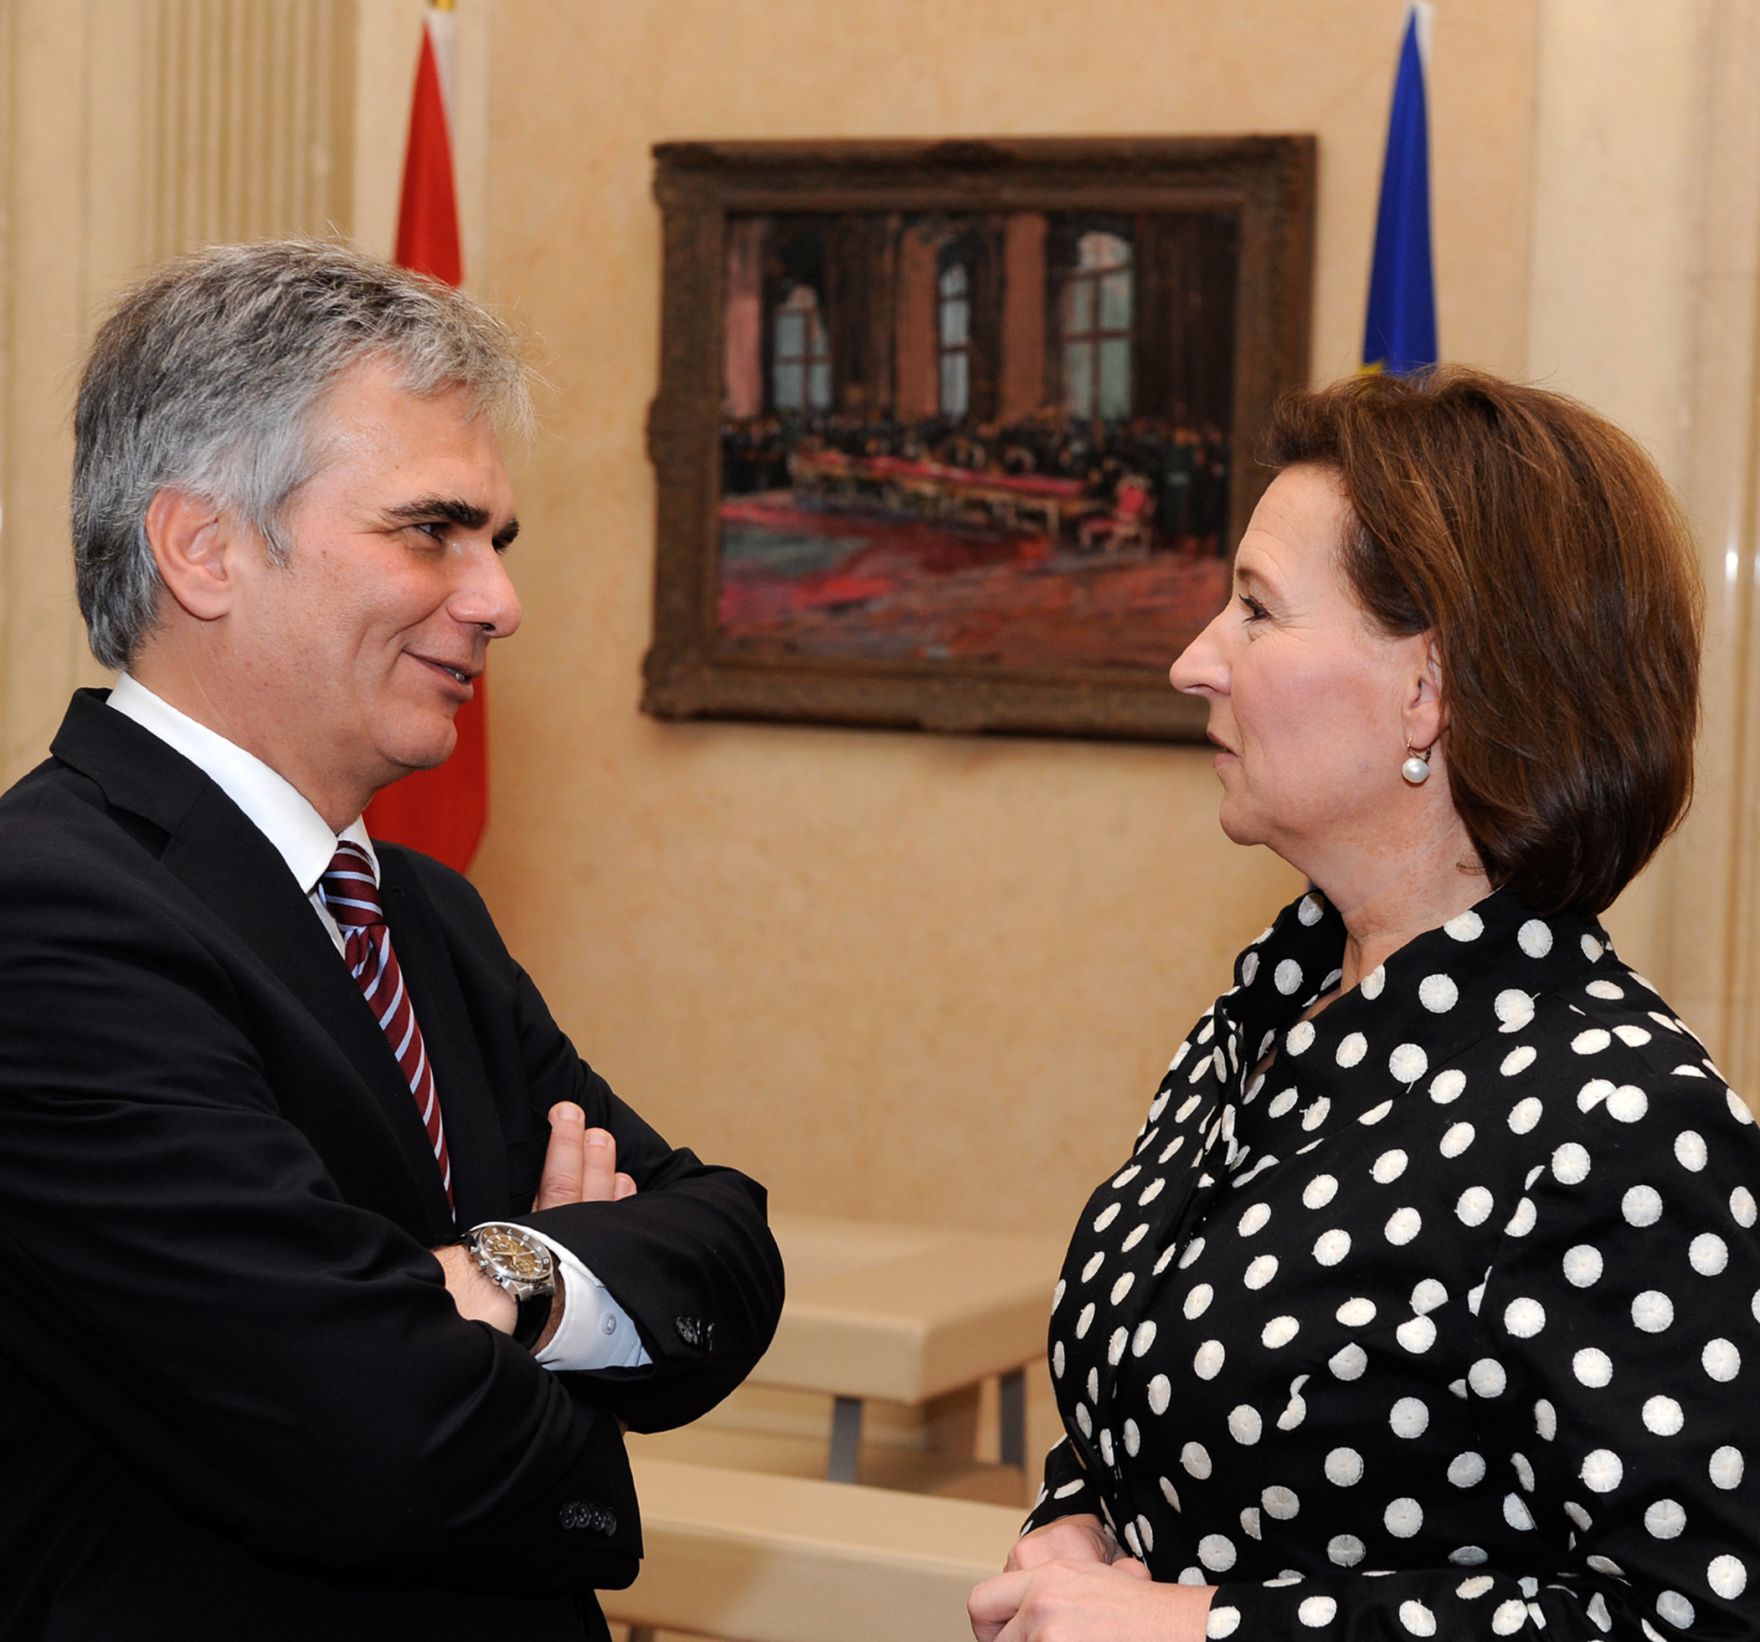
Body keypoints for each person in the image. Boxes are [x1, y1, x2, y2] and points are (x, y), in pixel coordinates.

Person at [0, 239, 784, 1642]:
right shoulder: (47, 913)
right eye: (432, 531)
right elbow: (367, 1428)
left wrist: (510, 1277)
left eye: (496, 542)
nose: (498, 601)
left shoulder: (417, 906)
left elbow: (724, 1244)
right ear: (203, 548)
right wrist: (559, 1302)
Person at [969, 367, 1760, 1640]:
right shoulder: (1263, 1017)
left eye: (1254, 610)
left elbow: (1686, 1621)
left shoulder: (1619, 1123)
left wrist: (1201, 1629)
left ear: (1428, 689)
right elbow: (1179, 1401)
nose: (1190, 662)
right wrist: (1081, 1517)